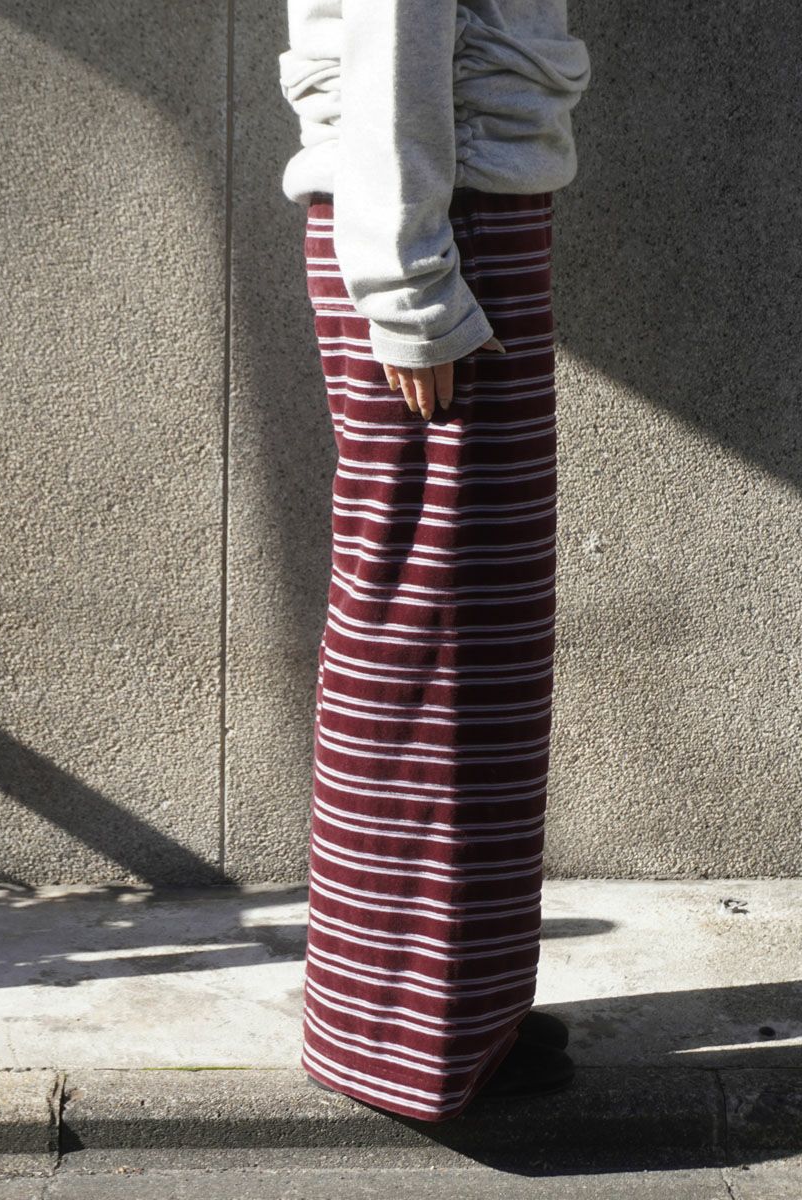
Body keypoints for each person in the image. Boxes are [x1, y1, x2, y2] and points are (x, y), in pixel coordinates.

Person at [278, 0, 591, 1123]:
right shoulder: (422, 247)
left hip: (459, 220)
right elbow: (391, 30)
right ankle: (406, 1040)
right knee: (429, 641)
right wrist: (408, 288)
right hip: (442, 235)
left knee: (473, 644)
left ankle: (455, 1014)